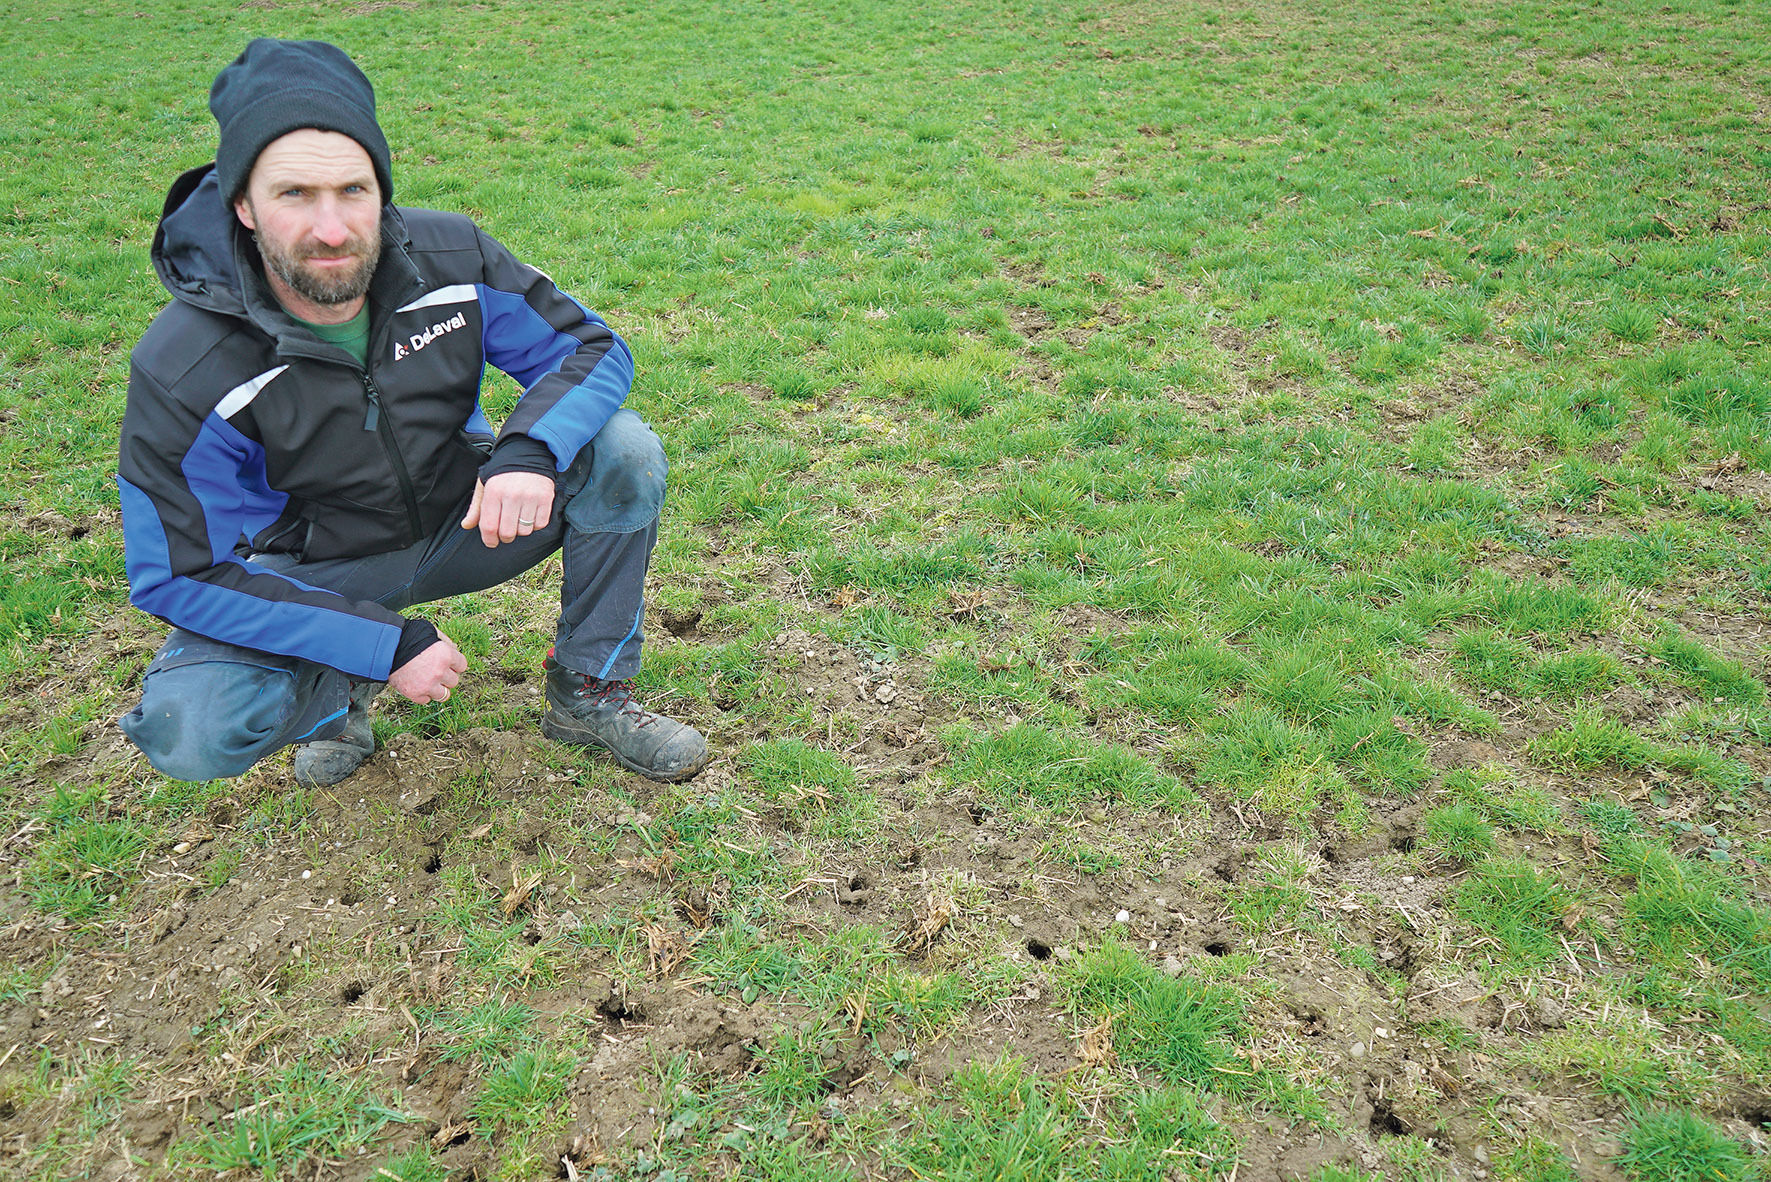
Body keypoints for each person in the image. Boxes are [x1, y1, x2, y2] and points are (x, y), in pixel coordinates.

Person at [115, 38, 708, 787]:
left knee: (622, 450)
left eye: (353, 191)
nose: (331, 229)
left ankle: (589, 692)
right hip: (316, 569)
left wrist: (527, 451)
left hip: (469, 520)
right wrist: (379, 643)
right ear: (242, 203)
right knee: (192, 728)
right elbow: (177, 574)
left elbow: (588, 346)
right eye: (294, 194)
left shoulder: (449, 257)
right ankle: (338, 696)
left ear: (381, 188)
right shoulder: (185, 365)